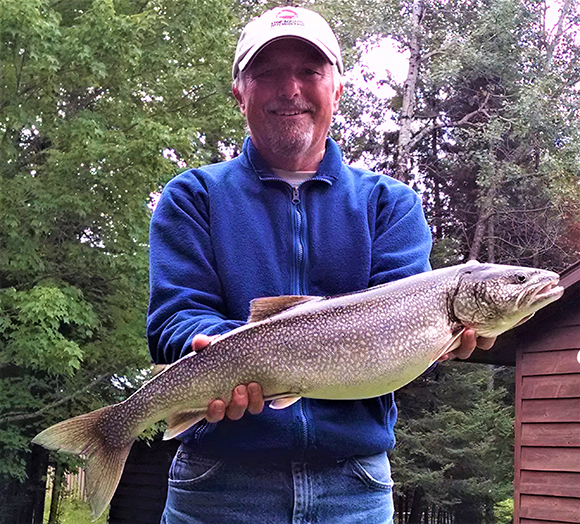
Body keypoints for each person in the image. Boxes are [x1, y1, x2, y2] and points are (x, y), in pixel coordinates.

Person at [147, 6, 494, 524]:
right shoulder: (193, 197)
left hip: (353, 485)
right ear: (240, 91)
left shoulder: (389, 204)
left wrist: (443, 341)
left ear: (336, 87)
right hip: (217, 484)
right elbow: (175, 320)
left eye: (309, 71)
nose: (290, 88)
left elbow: (398, 321)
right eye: (267, 73)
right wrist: (218, 351)